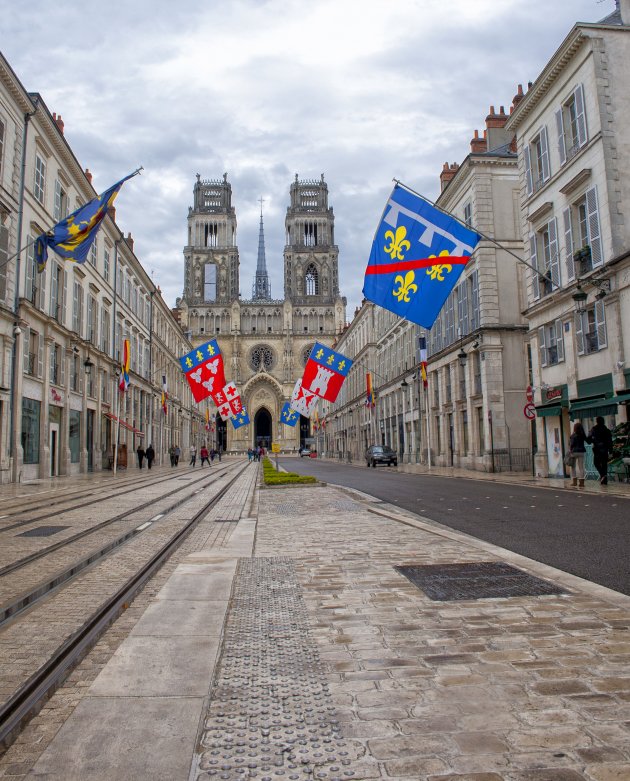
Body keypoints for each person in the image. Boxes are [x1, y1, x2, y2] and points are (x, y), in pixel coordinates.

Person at [588, 416, 613, 485]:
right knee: (604, 464)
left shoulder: (594, 429)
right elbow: (610, 441)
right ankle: (604, 480)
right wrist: (611, 451)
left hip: (597, 450)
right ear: (603, 421)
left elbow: (589, 440)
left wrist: (591, 439)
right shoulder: (607, 430)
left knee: (596, 463)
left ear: (597, 421)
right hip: (605, 450)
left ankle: (603, 475)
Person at [568, 421, 587, 487]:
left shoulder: (573, 435)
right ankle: (582, 483)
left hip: (574, 452)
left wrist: (570, 449)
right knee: (581, 467)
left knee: (573, 467)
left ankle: (574, 482)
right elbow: (587, 440)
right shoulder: (582, 435)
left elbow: (572, 444)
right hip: (581, 452)